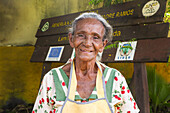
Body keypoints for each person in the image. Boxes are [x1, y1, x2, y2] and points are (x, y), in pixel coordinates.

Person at [32, 12, 140, 113]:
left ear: (103, 44)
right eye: (81, 35)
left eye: (95, 37)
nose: (87, 43)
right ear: (71, 39)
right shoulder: (52, 79)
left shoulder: (115, 79)